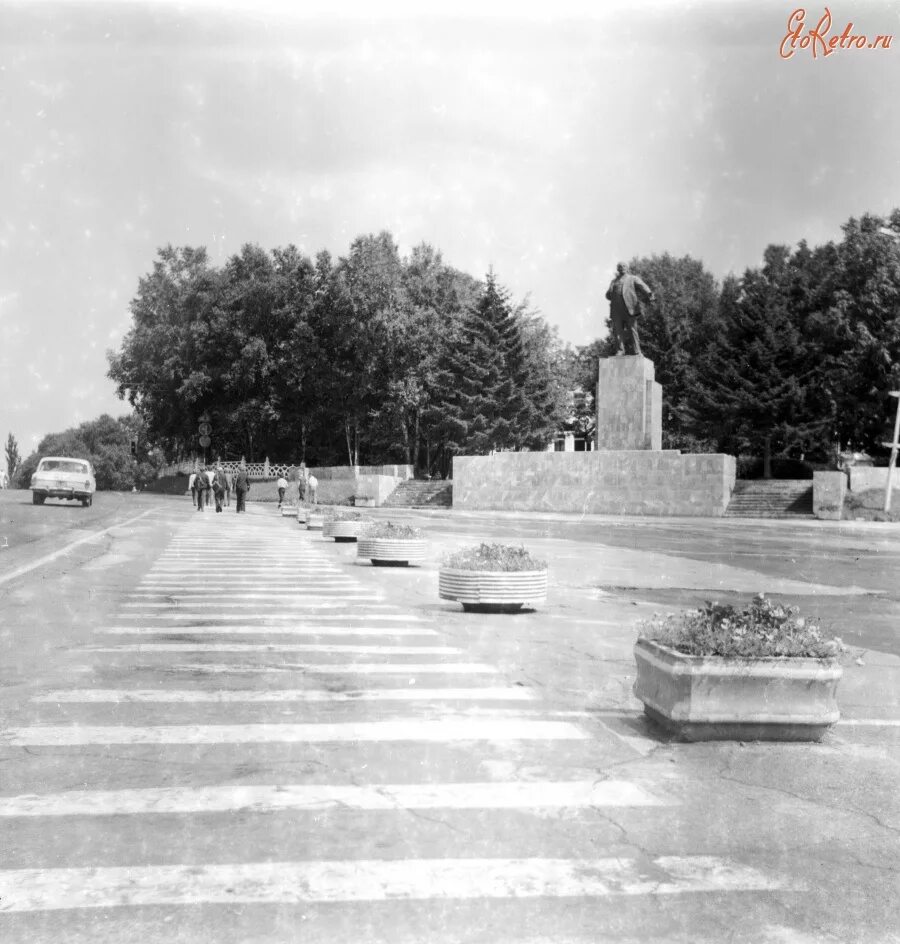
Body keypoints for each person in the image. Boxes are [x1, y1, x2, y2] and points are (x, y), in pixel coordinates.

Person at [605, 262, 654, 356]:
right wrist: (608, 293)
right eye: (619, 266)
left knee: (633, 330)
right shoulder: (613, 281)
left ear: (627, 268)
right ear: (617, 269)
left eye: (623, 266)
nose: (621, 267)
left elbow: (642, 286)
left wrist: (649, 294)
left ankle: (637, 351)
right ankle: (620, 350)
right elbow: (608, 295)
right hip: (616, 309)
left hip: (629, 308)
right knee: (618, 331)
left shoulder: (632, 278)